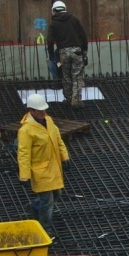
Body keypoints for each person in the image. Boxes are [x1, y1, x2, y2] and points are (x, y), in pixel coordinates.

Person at [17, 93, 71, 237]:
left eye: (44, 110)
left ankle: (35, 206)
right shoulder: (26, 131)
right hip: (40, 171)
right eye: (40, 111)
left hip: (54, 168)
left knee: (57, 194)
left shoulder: (48, 120)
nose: (43, 113)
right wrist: (24, 176)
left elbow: (58, 139)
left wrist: (65, 157)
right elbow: (24, 154)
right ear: (31, 111)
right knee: (47, 201)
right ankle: (45, 228)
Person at [47, 1, 88, 108]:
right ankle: (76, 101)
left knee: (66, 76)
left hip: (63, 52)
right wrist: (85, 50)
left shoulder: (53, 23)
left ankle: (69, 100)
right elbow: (83, 35)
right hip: (76, 51)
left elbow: (50, 41)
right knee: (77, 76)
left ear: (53, 11)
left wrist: (51, 54)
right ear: (65, 8)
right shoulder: (74, 19)